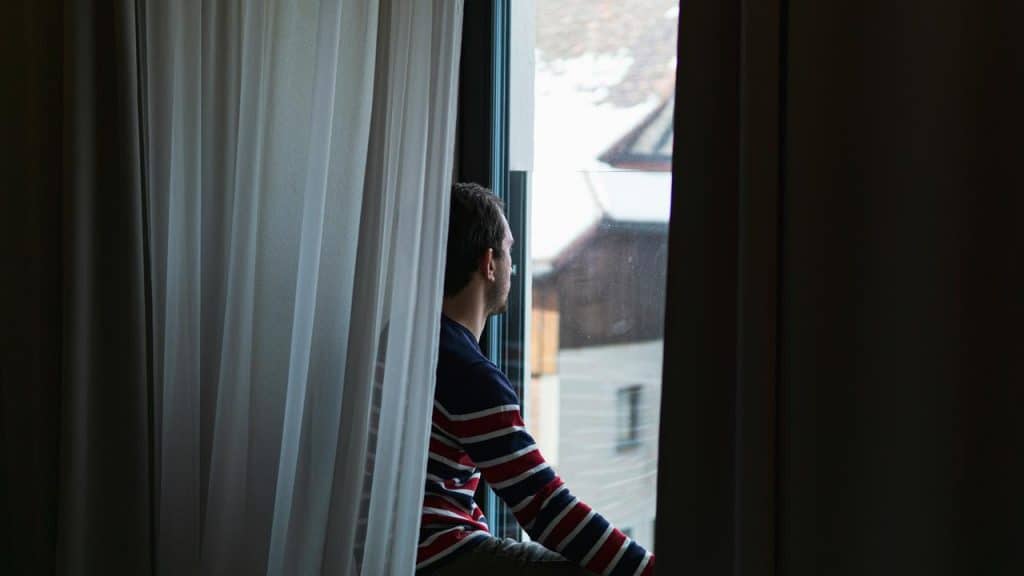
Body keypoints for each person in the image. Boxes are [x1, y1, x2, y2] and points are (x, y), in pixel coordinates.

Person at [417, 183, 654, 575]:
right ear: (489, 263)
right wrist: (645, 569)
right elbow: (545, 506)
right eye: (509, 252)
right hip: (437, 557)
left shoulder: (407, 340)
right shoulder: (469, 375)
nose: (513, 266)